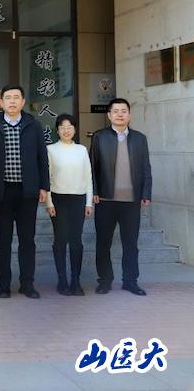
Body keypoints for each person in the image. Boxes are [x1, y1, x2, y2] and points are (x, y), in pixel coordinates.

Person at [0, 85, 49, 299]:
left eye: (16, 97)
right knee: (2, 240)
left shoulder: (33, 125)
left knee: (27, 240)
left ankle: (27, 284)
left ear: (23, 101)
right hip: (2, 192)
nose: (12, 101)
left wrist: (44, 186)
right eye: (8, 98)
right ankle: (4, 285)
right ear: (1, 102)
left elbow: (42, 157)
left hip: (27, 191)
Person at [90, 98, 152, 296]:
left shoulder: (140, 138)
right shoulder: (99, 137)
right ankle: (104, 281)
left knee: (131, 244)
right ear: (109, 115)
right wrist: (94, 191)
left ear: (129, 115)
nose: (119, 114)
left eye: (123, 111)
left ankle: (130, 281)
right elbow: (93, 167)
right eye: (115, 111)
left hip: (131, 201)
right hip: (105, 200)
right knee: (103, 243)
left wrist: (146, 193)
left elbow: (146, 167)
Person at [45, 114, 93, 296]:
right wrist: (49, 203)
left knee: (76, 241)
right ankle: (62, 280)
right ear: (57, 130)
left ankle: (76, 281)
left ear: (75, 129)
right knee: (60, 240)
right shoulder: (50, 149)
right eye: (62, 127)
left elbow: (88, 177)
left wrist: (89, 203)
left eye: (70, 127)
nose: (66, 130)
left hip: (78, 199)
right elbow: (47, 178)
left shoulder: (82, 149)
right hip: (58, 199)